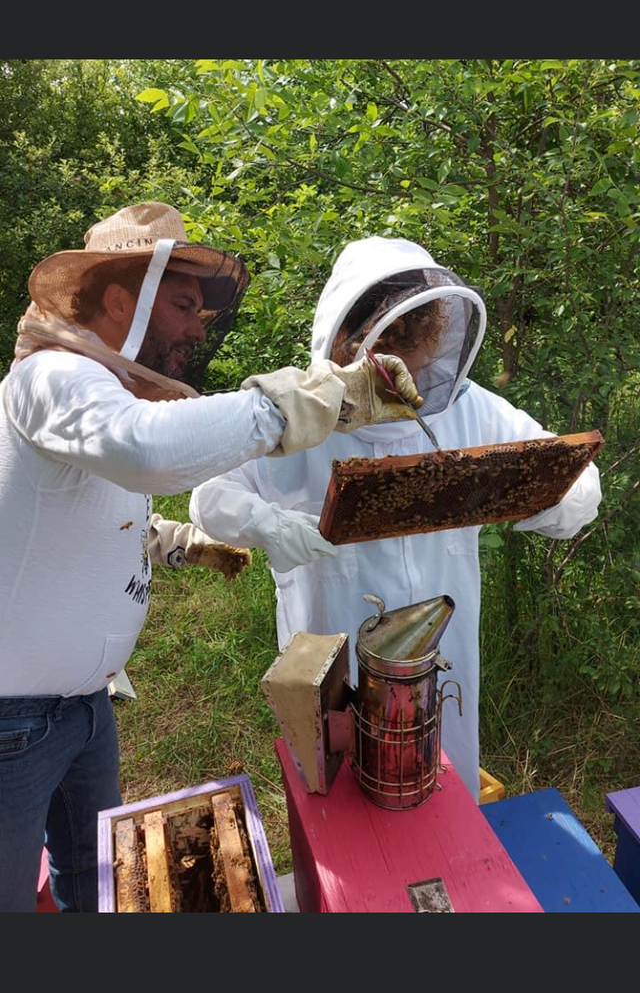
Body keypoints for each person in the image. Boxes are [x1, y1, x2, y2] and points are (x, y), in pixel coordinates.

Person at [0, 204, 422, 912]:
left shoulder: (100, 392)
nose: (199, 327)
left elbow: (97, 509)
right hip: (14, 722)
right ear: (118, 300)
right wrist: (314, 397)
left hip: (83, 709)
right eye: (185, 304)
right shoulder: (52, 378)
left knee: (89, 881)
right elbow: (143, 450)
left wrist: (179, 542)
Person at [189, 235, 602, 801]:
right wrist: (267, 524)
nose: (409, 368)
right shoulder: (296, 410)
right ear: (348, 343)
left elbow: (577, 482)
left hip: (442, 645)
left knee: (443, 787)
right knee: (340, 798)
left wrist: (542, 496)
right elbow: (209, 495)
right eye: (392, 348)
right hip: (331, 643)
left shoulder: (469, 407)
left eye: (421, 347)